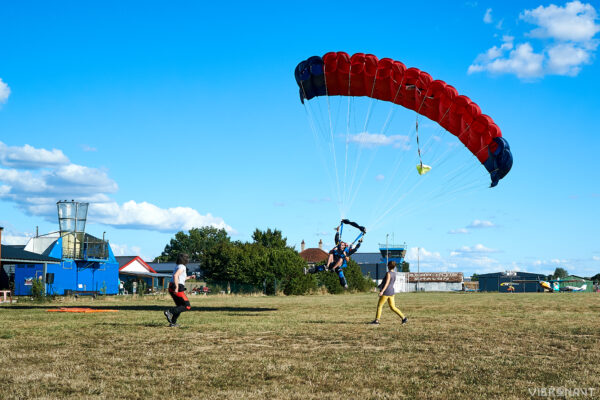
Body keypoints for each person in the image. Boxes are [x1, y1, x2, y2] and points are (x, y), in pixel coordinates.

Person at [305, 223, 363, 288]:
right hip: (331, 263)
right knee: (322, 266)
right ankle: (309, 271)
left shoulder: (346, 252)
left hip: (338, 265)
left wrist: (360, 242)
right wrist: (337, 232)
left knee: (340, 271)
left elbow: (355, 249)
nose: (342, 245)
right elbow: (336, 239)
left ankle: (344, 284)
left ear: (344, 246)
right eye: (341, 244)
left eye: (343, 245)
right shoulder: (336, 249)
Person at [370, 261, 407, 325]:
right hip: (392, 292)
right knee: (393, 307)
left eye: (388, 265)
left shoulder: (388, 273)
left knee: (380, 306)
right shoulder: (394, 273)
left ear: (389, 266)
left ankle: (377, 321)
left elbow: (387, 283)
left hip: (386, 292)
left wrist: (382, 291)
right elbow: (390, 283)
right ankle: (404, 318)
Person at [164, 253, 193, 327]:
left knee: (179, 306)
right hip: (177, 287)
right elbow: (175, 276)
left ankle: (173, 323)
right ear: (185, 260)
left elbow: (180, 278)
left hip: (171, 286)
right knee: (187, 306)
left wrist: (190, 277)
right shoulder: (182, 267)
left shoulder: (178, 266)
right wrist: (177, 287)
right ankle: (169, 312)